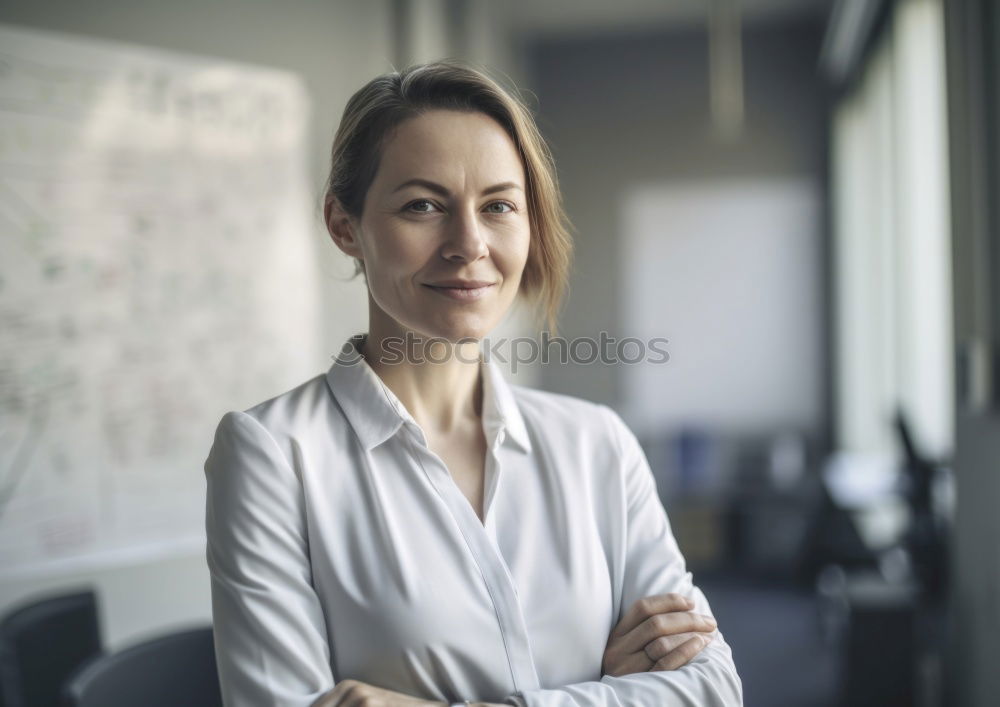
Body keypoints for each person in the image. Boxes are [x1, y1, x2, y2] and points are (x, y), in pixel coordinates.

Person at [203, 59, 742, 707]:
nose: (469, 243)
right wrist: (606, 690)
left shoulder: (596, 442)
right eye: (423, 205)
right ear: (345, 226)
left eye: (499, 206)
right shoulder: (272, 454)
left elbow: (710, 688)